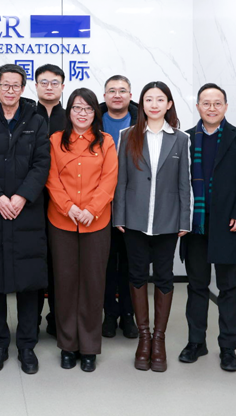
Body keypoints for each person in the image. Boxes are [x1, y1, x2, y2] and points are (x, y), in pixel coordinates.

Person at [0, 64, 50, 375]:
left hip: (26, 211)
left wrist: (22, 196)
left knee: (28, 282)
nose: (11, 90)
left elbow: (42, 163)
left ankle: (27, 346)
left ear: (23, 89)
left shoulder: (36, 121)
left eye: (16, 85)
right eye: (5, 85)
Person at [112, 81, 192, 373]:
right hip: (134, 220)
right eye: (149, 99)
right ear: (142, 104)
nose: (154, 104)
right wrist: (118, 216)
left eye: (160, 99)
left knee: (164, 277)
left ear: (169, 104)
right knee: (136, 275)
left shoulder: (181, 138)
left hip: (168, 221)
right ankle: (143, 337)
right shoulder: (128, 135)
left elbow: (184, 183)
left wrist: (185, 220)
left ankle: (159, 339)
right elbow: (121, 180)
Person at [178, 83, 236, 372]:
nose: (211, 108)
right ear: (198, 106)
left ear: (225, 106)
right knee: (197, 285)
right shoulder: (185, 139)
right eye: (206, 103)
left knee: (228, 286)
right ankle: (196, 342)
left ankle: (228, 348)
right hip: (195, 224)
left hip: (228, 224)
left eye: (217, 103)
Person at [46, 88, 118, 372]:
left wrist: (91, 209)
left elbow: (109, 179)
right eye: (77, 108)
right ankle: (67, 345)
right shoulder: (55, 140)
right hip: (62, 221)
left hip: (96, 222)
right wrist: (69, 208)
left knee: (93, 284)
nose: (82, 113)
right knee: (64, 284)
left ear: (95, 113)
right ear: (69, 111)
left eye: (88, 109)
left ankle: (89, 347)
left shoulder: (106, 142)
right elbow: (51, 179)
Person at [99, 74, 139, 339]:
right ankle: (109, 314)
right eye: (112, 90)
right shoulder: (93, 119)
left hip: (132, 203)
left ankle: (128, 314)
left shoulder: (141, 121)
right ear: (104, 96)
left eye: (122, 90)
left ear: (130, 95)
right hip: (100, 204)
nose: (117, 95)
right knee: (104, 263)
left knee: (130, 262)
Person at [34, 63, 67, 338]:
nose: (49, 87)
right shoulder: (25, 115)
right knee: (35, 259)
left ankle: (58, 318)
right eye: (43, 82)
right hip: (31, 200)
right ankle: (31, 320)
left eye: (54, 82)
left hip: (64, 202)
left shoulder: (72, 117)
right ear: (35, 86)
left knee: (60, 263)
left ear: (62, 87)